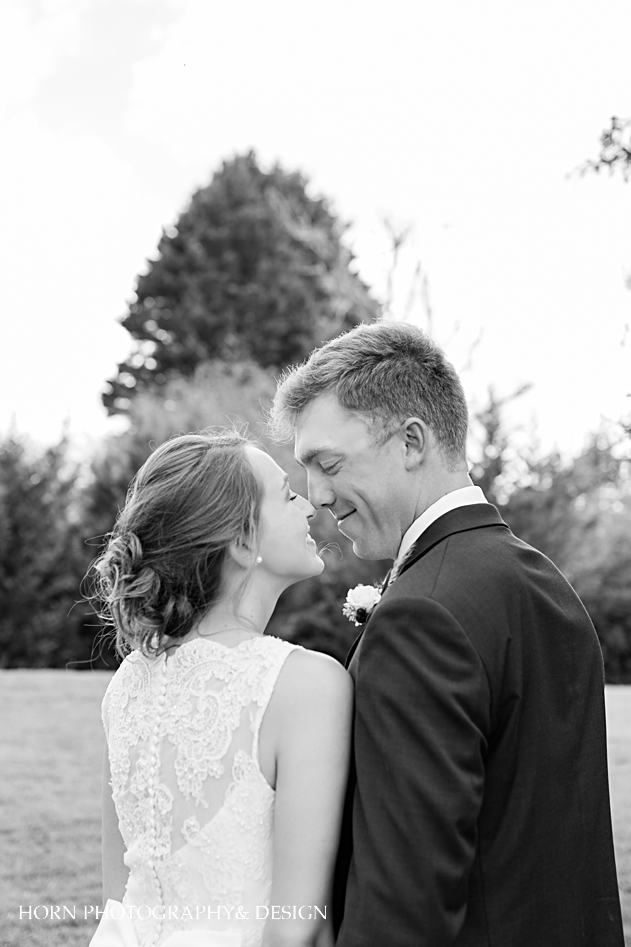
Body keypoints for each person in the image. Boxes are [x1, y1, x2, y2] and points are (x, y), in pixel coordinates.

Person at [269, 321, 624, 947]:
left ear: (411, 441)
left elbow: (404, 905)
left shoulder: (421, 616)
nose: (317, 495)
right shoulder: (544, 584)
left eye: (327, 464)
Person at [88, 430, 353, 947]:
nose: (310, 508)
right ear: (242, 541)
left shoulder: (127, 684)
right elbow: (298, 928)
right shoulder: (304, 686)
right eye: (287, 494)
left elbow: (118, 906)